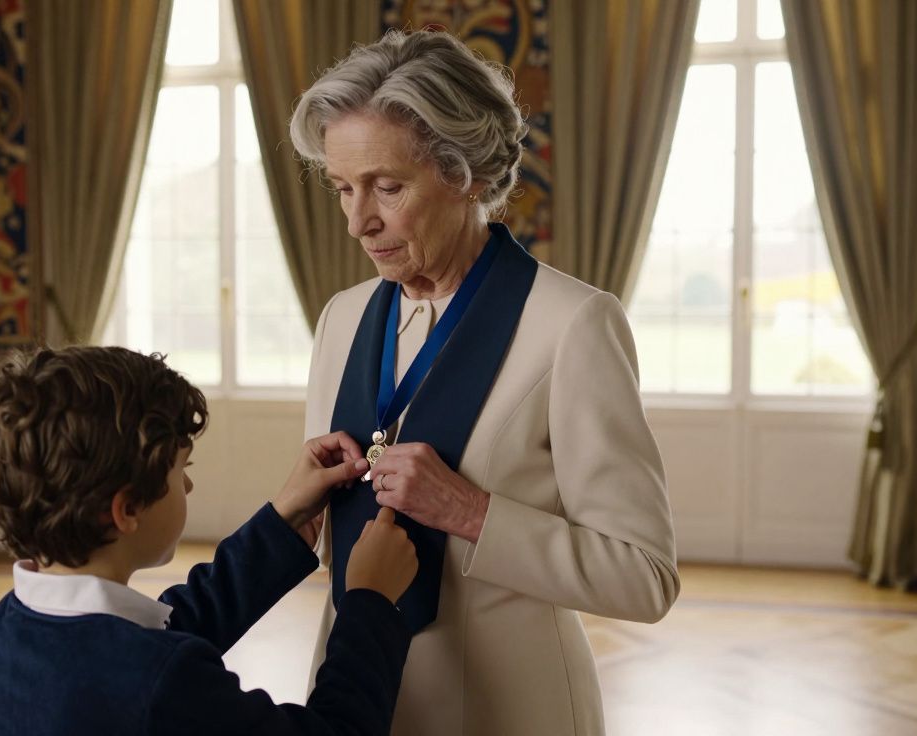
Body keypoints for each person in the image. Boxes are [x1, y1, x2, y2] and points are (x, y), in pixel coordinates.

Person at [289, 30, 680, 735]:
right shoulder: (340, 321)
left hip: (510, 712)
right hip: (354, 700)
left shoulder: (575, 325)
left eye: (387, 186)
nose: (357, 220)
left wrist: (472, 513)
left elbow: (644, 576)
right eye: (343, 188)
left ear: (462, 171)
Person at [0, 345, 420, 735]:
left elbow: (167, 629)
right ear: (127, 510)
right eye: (182, 468)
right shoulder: (163, 681)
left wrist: (281, 524)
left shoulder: (11, 624)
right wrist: (369, 601)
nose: (187, 488)